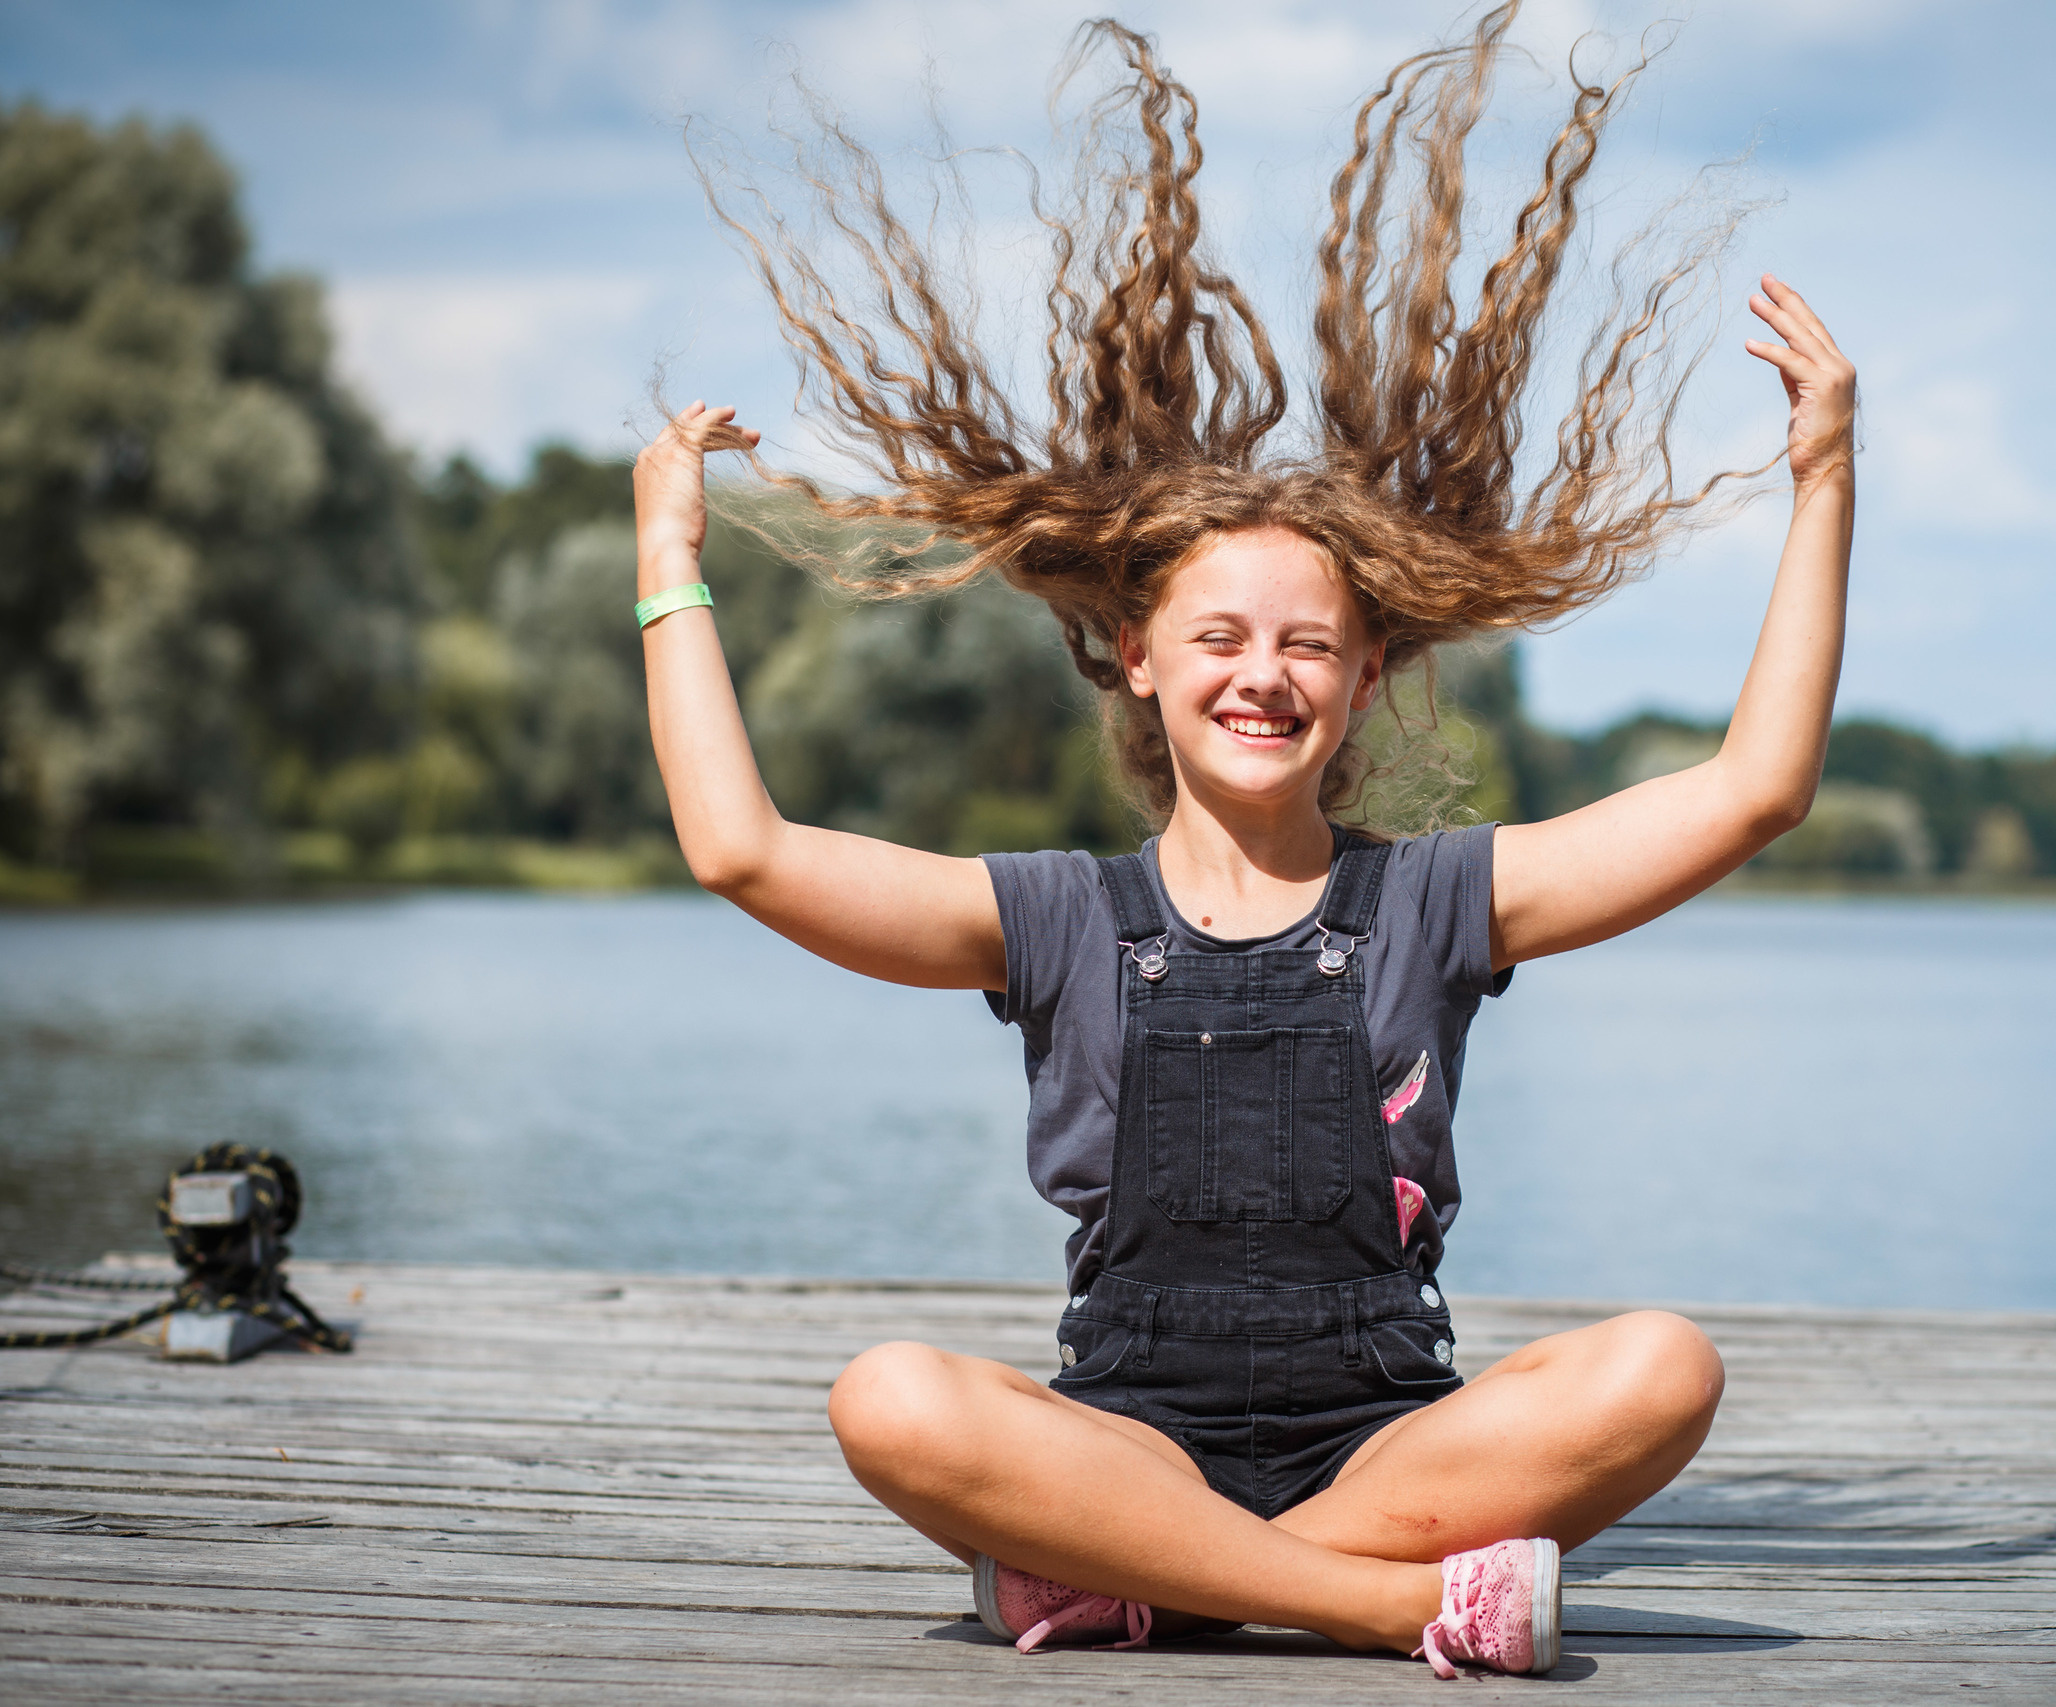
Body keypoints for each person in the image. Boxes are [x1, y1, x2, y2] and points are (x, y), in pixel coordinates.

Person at [631, 4, 1853, 1680]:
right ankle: (1370, 1601)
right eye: (1217, 638)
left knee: (1664, 1366)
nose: (1260, 675)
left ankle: (1155, 1583)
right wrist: (670, 559)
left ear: (1364, 677)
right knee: (889, 1398)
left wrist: (1823, 481)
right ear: (1140, 658)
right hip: (1125, 1438)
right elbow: (741, 852)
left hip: (1390, 1454)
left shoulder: (1438, 899)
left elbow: (1755, 790)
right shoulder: (1053, 918)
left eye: (1305, 644)